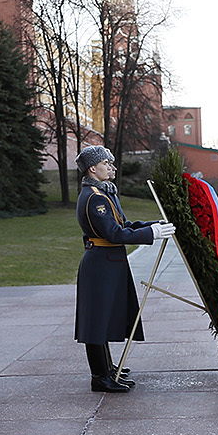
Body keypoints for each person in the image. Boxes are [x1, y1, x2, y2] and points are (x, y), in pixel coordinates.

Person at [74, 145, 174, 393]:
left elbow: (125, 224)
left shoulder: (106, 194)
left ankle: (107, 369)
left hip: (110, 263)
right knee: (96, 322)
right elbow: (113, 233)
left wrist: (155, 225)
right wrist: (150, 234)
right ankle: (99, 376)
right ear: (93, 168)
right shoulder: (95, 197)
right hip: (100, 265)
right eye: (107, 163)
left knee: (104, 317)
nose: (112, 167)